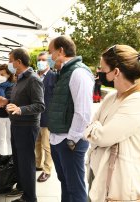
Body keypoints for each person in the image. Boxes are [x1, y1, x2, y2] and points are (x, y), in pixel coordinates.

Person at [84, 45, 140, 201]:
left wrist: (95, 129)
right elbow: (91, 126)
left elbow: (102, 137)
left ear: (116, 72)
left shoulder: (138, 100)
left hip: (123, 188)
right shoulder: (111, 98)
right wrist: (95, 128)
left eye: (103, 70)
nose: (99, 73)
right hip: (100, 176)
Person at [47, 36, 94, 202]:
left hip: (70, 141)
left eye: (50, 53)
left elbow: (83, 113)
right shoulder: (65, 72)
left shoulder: (78, 72)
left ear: (61, 51)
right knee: (66, 184)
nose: (49, 58)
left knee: (75, 189)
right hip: (60, 138)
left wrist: (71, 140)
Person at [0, 48, 45, 202]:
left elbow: (40, 105)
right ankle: (23, 187)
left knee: (26, 162)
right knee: (18, 160)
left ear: (18, 61)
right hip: (17, 124)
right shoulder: (20, 78)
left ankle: (30, 198)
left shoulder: (33, 79)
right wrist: (7, 102)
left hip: (27, 126)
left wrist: (20, 109)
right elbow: (19, 101)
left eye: (11, 60)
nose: (9, 63)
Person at [35, 52, 57, 183]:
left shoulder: (53, 76)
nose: (41, 62)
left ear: (49, 62)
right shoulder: (36, 76)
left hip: (47, 116)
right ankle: (38, 164)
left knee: (46, 145)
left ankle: (47, 170)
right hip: (35, 116)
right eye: (39, 60)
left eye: (43, 60)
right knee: (36, 143)